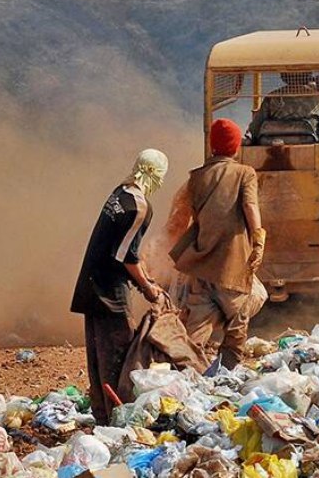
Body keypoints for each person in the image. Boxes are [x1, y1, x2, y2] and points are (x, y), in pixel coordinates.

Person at [70, 149, 168, 425]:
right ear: (155, 174)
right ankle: (120, 420)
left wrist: (146, 279)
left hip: (91, 284)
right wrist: (148, 288)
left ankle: (102, 415)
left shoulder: (120, 193)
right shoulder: (139, 206)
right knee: (120, 355)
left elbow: (126, 250)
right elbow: (126, 257)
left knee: (97, 356)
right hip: (109, 292)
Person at [171, 119, 268, 369]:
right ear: (235, 147)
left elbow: (184, 216)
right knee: (239, 314)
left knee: (197, 324)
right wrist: (258, 240)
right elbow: (250, 206)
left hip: (200, 262)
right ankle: (228, 369)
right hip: (231, 264)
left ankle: (185, 370)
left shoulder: (196, 177)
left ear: (212, 145)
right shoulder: (245, 173)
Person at [247, 72, 319, 144]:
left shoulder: (272, 97)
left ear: (284, 76)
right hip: (310, 144)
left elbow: (255, 127)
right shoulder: (316, 97)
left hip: (272, 145)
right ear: (307, 76)